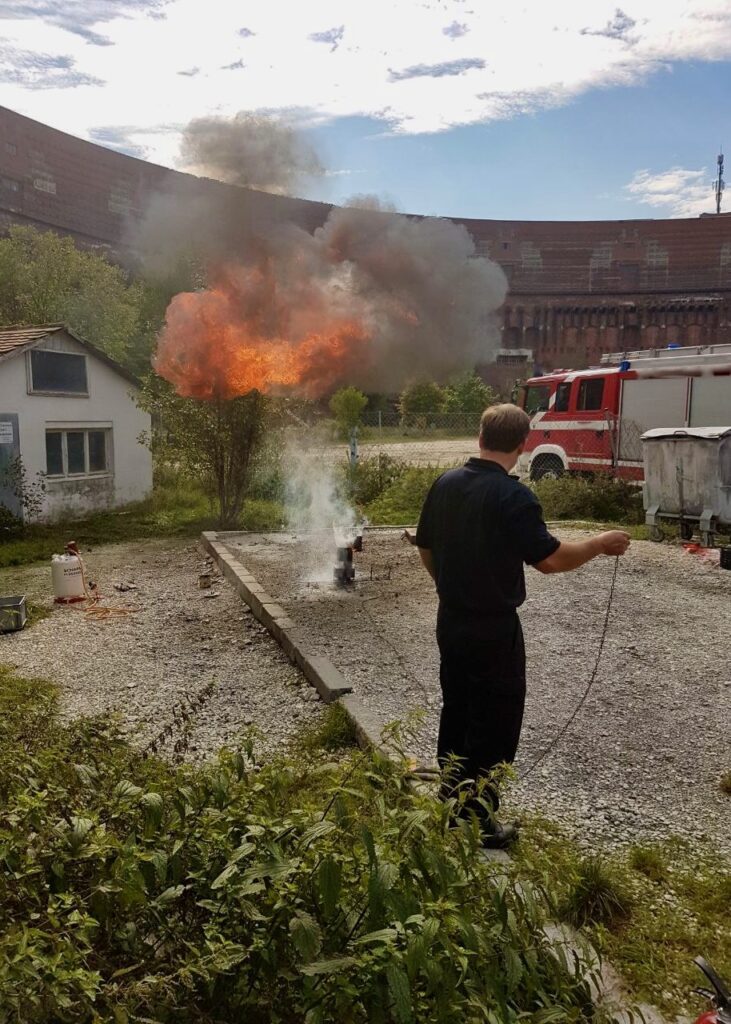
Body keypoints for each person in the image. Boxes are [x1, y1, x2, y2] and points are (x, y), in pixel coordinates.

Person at [415, 403, 630, 849]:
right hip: (493, 630)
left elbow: (427, 549)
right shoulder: (515, 497)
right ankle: (477, 821)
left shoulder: (446, 484)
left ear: (480, 437)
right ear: (523, 443)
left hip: (450, 620)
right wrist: (597, 544)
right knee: (495, 722)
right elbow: (550, 560)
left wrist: (451, 587)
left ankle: (451, 801)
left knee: (456, 709)